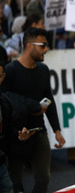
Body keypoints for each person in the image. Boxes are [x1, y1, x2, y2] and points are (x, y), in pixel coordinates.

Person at [2, 27, 65, 193]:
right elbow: (5, 100)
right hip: (16, 135)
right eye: (43, 45)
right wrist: (32, 106)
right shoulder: (11, 71)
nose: (46, 49)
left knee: (44, 178)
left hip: (39, 131)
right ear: (29, 46)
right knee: (14, 181)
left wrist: (57, 130)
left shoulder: (43, 70)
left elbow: (49, 100)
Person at [0, 59, 35, 193]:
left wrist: (19, 135)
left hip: (1, 162)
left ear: (3, 78)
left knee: (8, 188)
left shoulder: (4, 103)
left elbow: (8, 131)